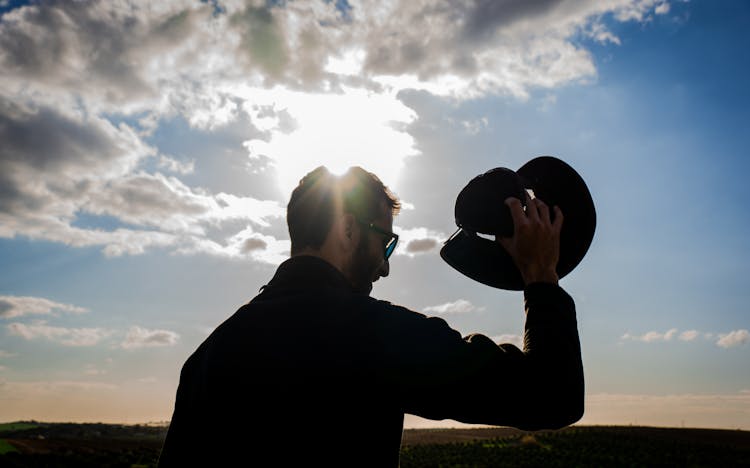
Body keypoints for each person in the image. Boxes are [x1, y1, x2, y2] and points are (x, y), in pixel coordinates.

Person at [157, 166, 583, 467]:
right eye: (386, 243)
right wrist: (541, 275)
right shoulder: (373, 335)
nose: (385, 266)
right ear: (347, 229)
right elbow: (552, 395)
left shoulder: (208, 356)